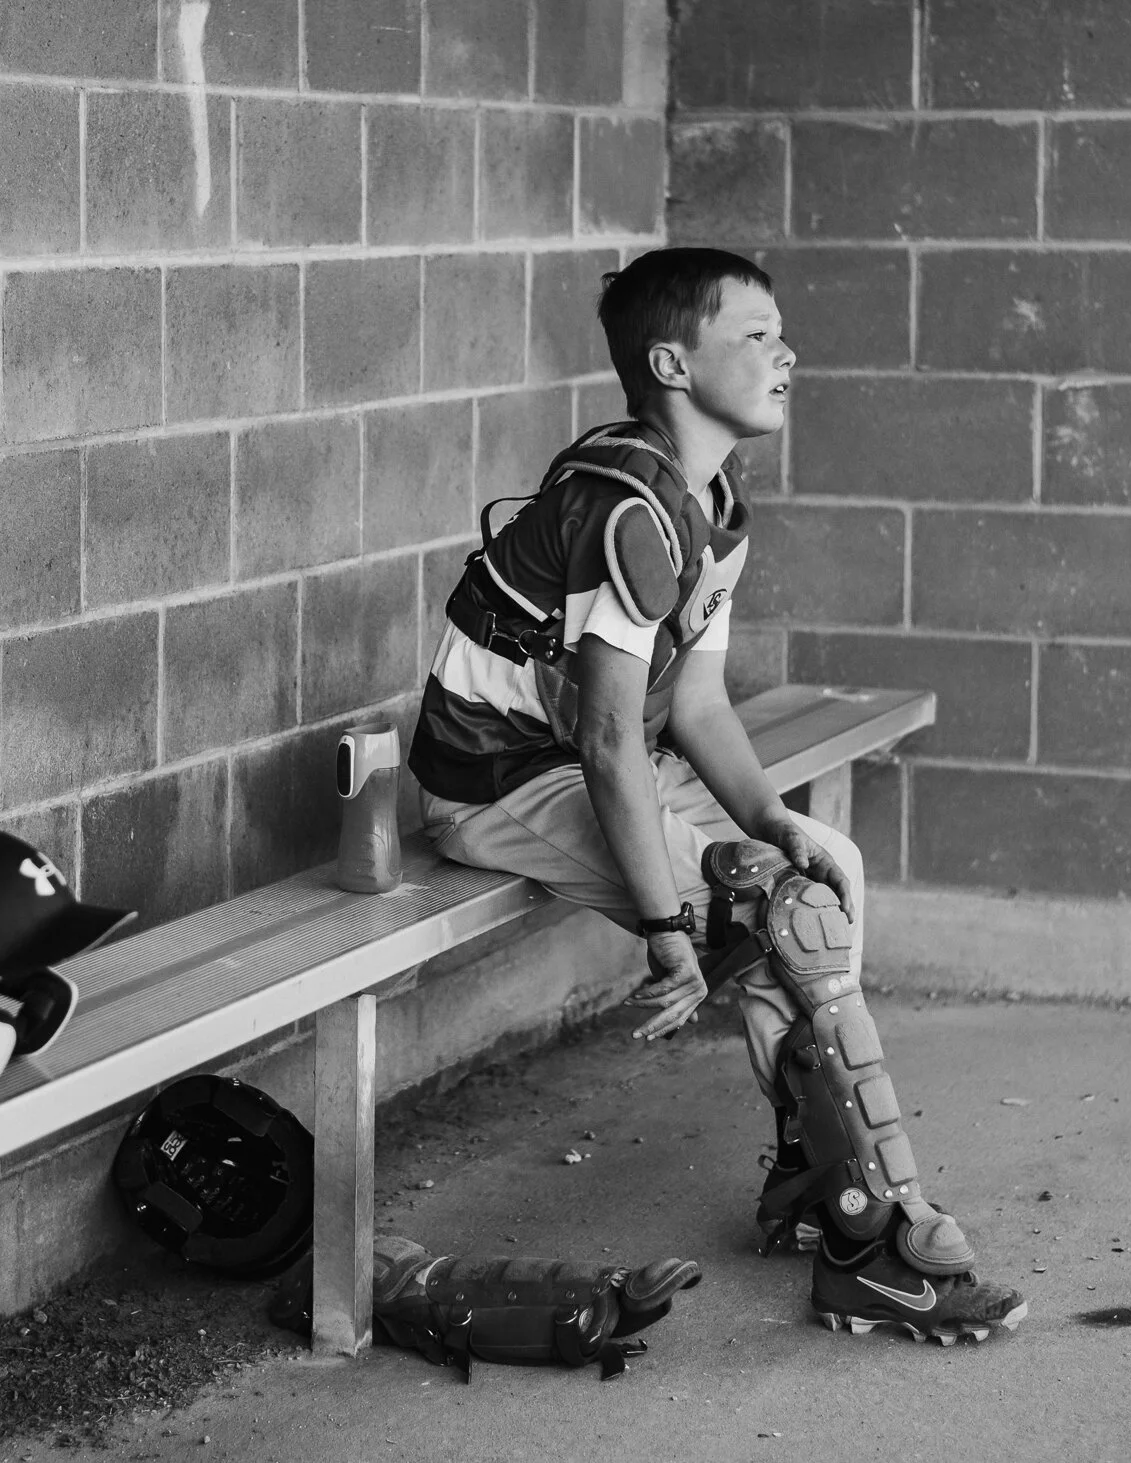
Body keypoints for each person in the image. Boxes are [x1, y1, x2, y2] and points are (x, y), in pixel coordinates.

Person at [409, 247, 1027, 1344]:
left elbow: (691, 703)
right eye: (751, 333)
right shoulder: (628, 504)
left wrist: (773, 818)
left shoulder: (712, 504)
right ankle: (875, 1240)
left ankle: (810, 1179)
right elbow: (604, 734)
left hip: (577, 758)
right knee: (775, 916)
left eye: (779, 331)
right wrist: (662, 925)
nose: (782, 350)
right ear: (669, 362)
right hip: (494, 777)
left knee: (812, 873)